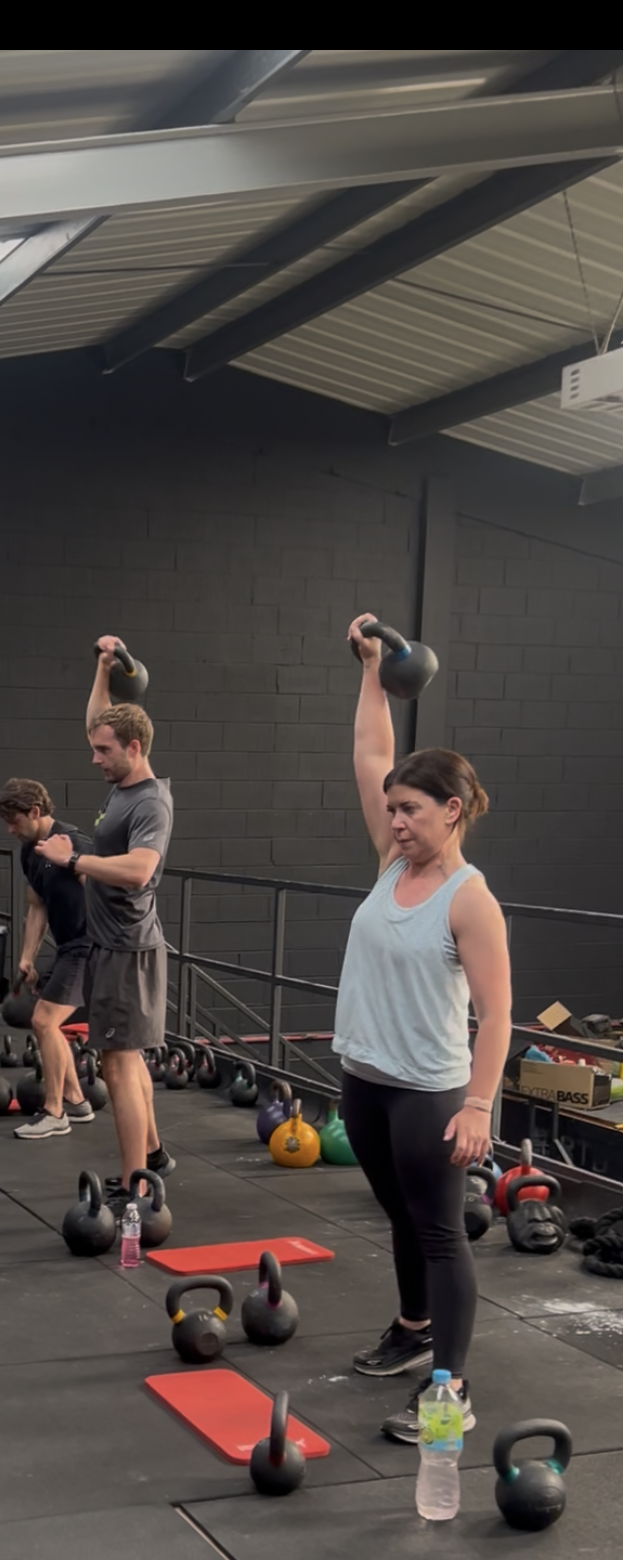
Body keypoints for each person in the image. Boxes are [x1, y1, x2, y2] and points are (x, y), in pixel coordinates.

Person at [334, 612, 512, 1445]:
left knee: (440, 1233)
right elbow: (373, 755)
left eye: (410, 810)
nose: (396, 821)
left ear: (451, 810)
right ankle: (412, 1331)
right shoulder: (391, 864)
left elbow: (499, 1011)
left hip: (429, 1092)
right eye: (391, 811)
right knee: (400, 1219)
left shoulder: (468, 898)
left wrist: (478, 1105)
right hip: (365, 1079)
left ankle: (450, 1388)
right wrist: (372, 671)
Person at [35, 638, 174, 1199]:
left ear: (133, 748)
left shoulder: (150, 804)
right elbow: (99, 719)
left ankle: (135, 1182)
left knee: (117, 1066)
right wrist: (101, 668)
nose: (93, 757)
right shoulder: (123, 781)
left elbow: (141, 870)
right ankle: (154, 1156)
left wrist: (73, 858)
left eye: (102, 750)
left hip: (127, 949)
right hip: (111, 944)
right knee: (126, 1055)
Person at [0, 777, 95, 1140]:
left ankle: (55, 1112)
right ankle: (78, 1102)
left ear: (35, 812)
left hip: (90, 947)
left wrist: (74, 862)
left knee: (44, 1022)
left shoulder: (74, 843)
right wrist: (26, 956)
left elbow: (104, 896)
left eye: (15, 820)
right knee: (48, 1026)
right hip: (68, 946)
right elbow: (37, 908)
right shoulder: (29, 852)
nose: (10, 829)